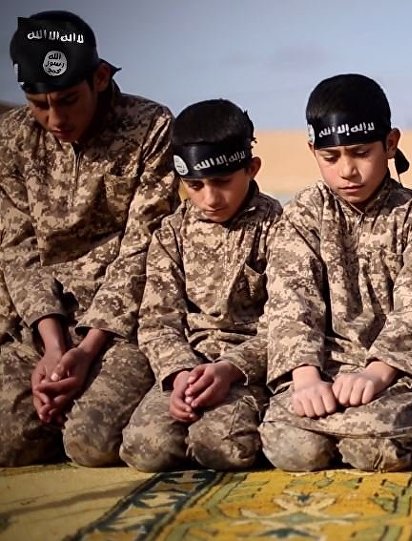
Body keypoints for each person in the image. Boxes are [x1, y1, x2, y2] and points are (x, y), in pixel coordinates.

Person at [0, 10, 178, 466]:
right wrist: (53, 346)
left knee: (90, 443)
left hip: (119, 328)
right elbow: (17, 249)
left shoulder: (150, 127)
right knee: (9, 441)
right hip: (40, 325)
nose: (55, 118)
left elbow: (144, 247)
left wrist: (87, 348)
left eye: (67, 100)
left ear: (100, 78)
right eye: (39, 104)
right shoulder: (13, 137)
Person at [259, 73, 412, 472]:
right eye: (331, 157)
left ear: (390, 143)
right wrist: (306, 378)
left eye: (361, 153)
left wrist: (376, 374)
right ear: (313, 150)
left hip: (390, 374)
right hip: (317, 369)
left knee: (377, 451)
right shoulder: (302, 214)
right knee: (293, 450)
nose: (347, 170)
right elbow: (291, 302)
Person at [119, 100, 281, 472]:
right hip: (189, 367)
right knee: (145, 449)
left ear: (251, 168)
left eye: (222, 182)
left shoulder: (279, 227)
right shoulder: (172, 233)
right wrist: (180, 375)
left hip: (247, 370)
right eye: (194, 185)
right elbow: (157, 321)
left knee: (222, 449)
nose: (209, 198)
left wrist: (231, 369)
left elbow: (286, 323)